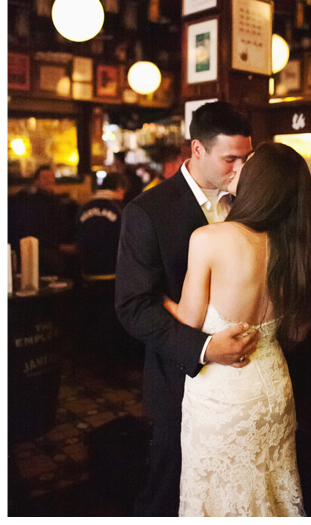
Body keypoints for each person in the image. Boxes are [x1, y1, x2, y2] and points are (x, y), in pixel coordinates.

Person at [115, 101, 259, 516]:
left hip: (244, 379)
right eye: (230, 158)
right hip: (180, 373)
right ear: (197, 150)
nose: (239, 169)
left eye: (245, 159)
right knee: (170, 486)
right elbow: (134, 306)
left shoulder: (250, 203)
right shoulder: (148, 212)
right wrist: (204, 348)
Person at [173, 142, 311, 516]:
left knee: (220, 499)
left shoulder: (210, 239)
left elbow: (188, 322)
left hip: (223, 392)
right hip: (273, 385)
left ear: (261, 183)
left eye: (247, 165)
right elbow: (299, 332)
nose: (237, 169)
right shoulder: (297, 246)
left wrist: (158, 297)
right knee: (271, 494)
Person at [8, 164, 75, 276]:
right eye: (45, 178)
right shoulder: (29, 201)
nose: (50, 180)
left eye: (52, 177)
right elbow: (32, 231)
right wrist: (59, 246)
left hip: (54, 245)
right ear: (36, 181)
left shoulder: (55, 200)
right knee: (55, 262)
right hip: (39, 248)